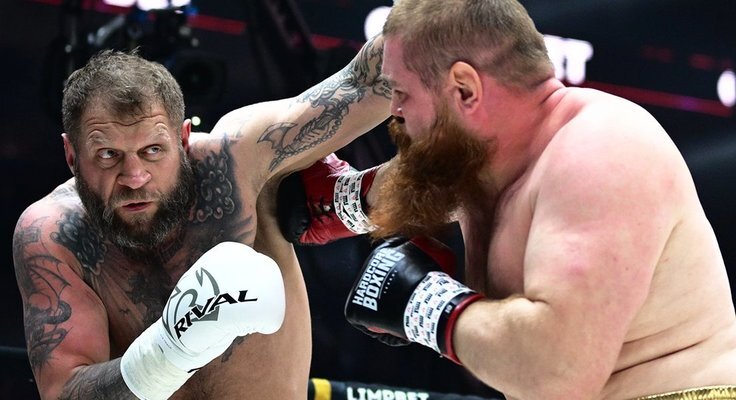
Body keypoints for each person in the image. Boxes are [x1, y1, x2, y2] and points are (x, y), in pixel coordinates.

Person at [287, 1, 736, 399]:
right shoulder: (487, 157)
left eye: (402, 94)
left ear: (465, 89)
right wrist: (342, 200)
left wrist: (426, 304)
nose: (396, 112)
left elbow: (557, 374)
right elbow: (421, 179)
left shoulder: (600, 151)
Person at [12, 33, 390, 399]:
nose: (134, 177)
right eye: (108, 155)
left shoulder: (238, 160)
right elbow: (63, 391)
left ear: (183, 138)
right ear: (72, 154)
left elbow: (368, 80)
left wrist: (423, 18)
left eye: (153, 150)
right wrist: (171, 349)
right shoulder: (56, 233)